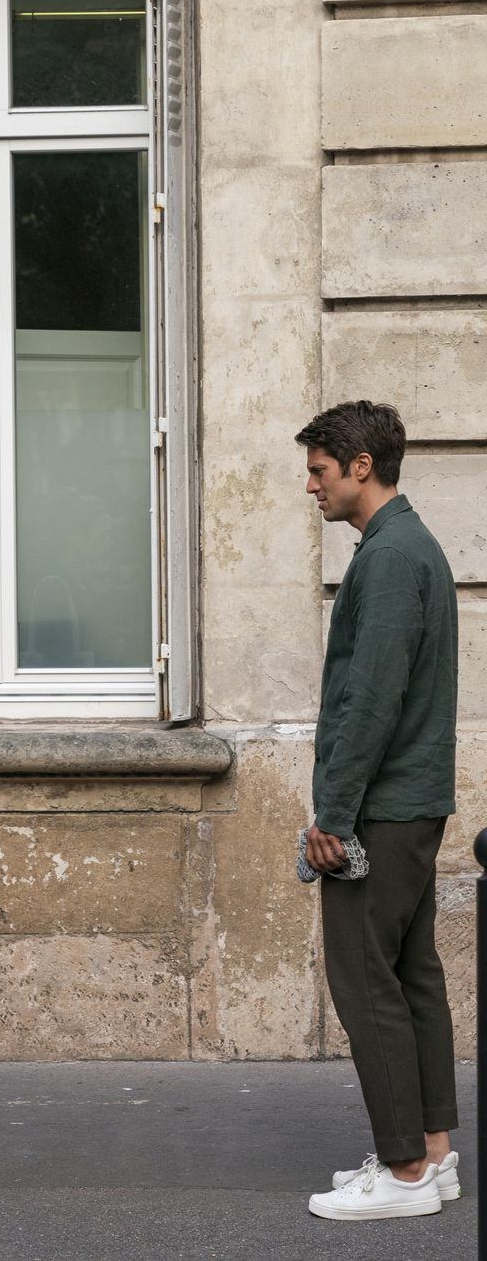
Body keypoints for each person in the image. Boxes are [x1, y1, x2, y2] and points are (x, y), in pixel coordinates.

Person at [294, 401, 459, 1222]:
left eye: (321, 470)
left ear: (363, 466)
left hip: (382, 807)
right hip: (411, 802)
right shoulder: (409, 546)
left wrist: (333, 813)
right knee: (412, 975)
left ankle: (401, 1176)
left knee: (366, 983)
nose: (312, 487)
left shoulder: (390, 557)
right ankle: (433, 1154)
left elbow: (370, 698)